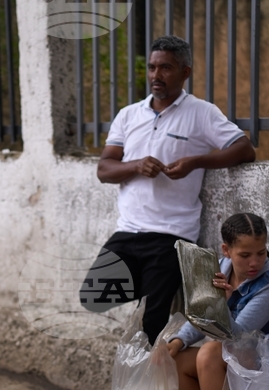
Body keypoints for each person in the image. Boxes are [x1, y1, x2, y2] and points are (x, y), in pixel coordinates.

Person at [85, 35, 256, 344]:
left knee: (151, 323)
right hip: (129, 231)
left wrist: (195, 162)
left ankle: (146, 387)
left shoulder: (201, 112)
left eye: (165, 68)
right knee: (94, 294)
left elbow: (245, 149)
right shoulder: (129, 115)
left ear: (184, 72)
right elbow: (104, 169)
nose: (156, 75)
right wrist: (135, 165)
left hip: (170, 235)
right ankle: (168, 291)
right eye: (152, 67)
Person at [167, 213, 269, 390]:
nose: (254, 262)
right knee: (172, 360)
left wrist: (220, 304)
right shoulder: (219, 268)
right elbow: (203, 315)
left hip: (267, 364)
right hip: (236, 356)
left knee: (209, 353)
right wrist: (177, 341)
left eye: (261, 253)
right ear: (226, 250)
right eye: (245, 255)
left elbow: (238, 336)